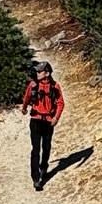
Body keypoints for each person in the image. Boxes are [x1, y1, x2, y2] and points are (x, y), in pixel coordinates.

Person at [21, 58, 65, 190]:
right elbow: (26, 97)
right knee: (36, 149)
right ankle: (36, 178)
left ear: (47, 73)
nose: (37, 73)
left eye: (39, 72)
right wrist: (24, 108)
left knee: (46, 147)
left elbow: (60, 103)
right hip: (35, 120)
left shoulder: (55, 87)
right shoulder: (33, 85)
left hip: (48, 121)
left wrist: (56, 118)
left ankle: (43, 168)